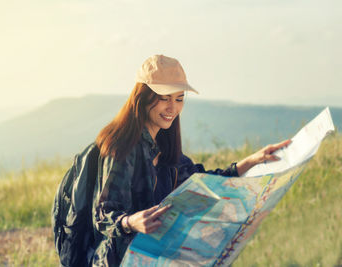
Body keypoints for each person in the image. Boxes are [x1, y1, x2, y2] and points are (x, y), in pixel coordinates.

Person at [91, 55, 291, 266]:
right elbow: (103, 212)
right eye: (165, 98)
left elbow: (202, 181)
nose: (172, 108)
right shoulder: (122, 146)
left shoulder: (166, 149)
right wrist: (131, 221)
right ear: (143, 97)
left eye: (179, 99)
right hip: (119, 260)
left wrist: (250, 162)